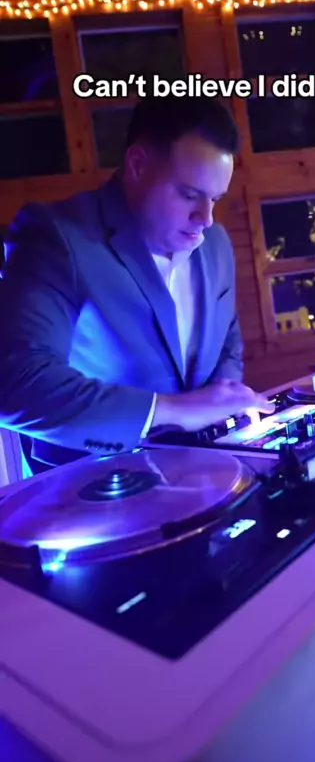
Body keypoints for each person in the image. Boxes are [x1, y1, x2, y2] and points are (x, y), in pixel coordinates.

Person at [0, 95, 274, 477]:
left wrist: (224, 395)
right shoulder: (56, 236)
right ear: (137, 165)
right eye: (189, 195)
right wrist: (174, 410)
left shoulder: (217, 243)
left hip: (207, 478)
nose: (206, 218)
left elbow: (227, 338)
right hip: (87, 489)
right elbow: (15, 384)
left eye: (215, 199)